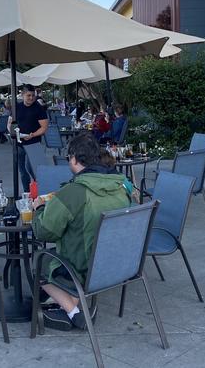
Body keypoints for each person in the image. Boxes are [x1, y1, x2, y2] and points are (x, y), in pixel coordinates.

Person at [30, 132, 132, 330]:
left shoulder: (74, 192)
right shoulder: (120, 186)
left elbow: (43, 232)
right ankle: (69, 302)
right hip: (119, 264)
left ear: (74, 159)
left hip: (85, 270)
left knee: (39, 262)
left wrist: (39, 208)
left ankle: (73, 312)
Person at [10, 86, 49, 186]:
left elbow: (44, 127)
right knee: (22, 171)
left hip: (34, 143)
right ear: (22, 95)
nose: (31, 98)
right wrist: (14, 132)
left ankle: (40, 190)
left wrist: (33, 135)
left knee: (33, 169)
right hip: (19, 143)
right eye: (28, 95)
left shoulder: (38, 108)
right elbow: (9, 123)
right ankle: (27, 193)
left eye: (33, 96)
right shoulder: (16, 107)